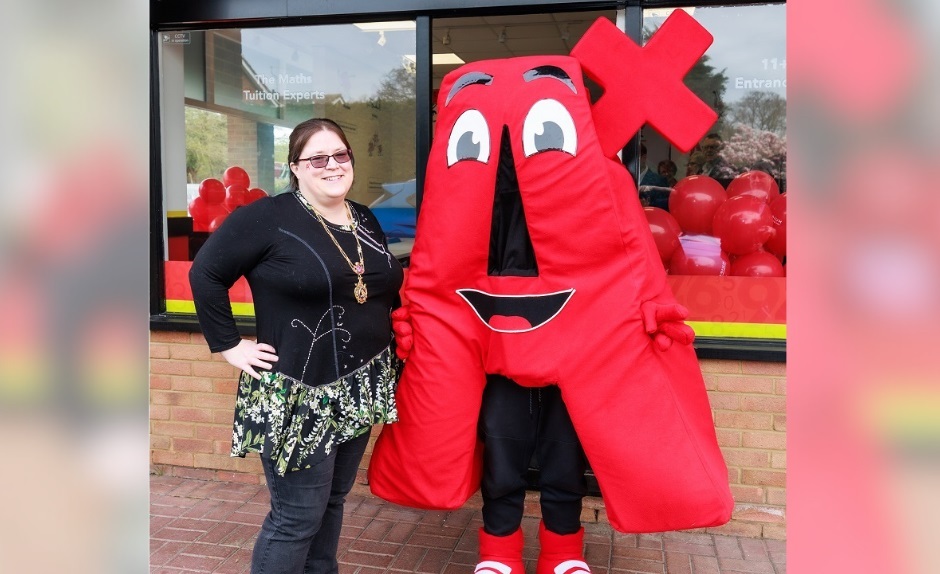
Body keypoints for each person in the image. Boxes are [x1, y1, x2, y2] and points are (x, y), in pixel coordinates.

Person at [189, 117, 404, 574]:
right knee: (296, 516)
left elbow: (378, 288)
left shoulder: (363, 217)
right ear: (296, 167)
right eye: (317, 158)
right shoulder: (267, 218)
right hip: (297, 394)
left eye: (340, 155)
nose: (332, 165)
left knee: (332, 502)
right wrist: (228, 345)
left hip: (359, 387)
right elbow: (205, 274)